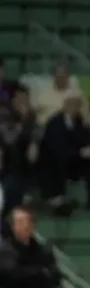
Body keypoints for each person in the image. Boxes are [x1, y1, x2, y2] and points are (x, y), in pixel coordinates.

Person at [0, 207, 60, 288]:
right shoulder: (5, 251)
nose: (26, 225)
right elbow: (11, 275)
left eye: (29, 221)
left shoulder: (44, 250)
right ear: (12, 226)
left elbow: (55, 277)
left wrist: (41, 274)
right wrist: (40, 273)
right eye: (20, 222)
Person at [0, 89, 39, 228]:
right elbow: (10, 139)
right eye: (20, 100)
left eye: (25, 100)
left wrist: (35, 143)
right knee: (12, 186)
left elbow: (38, 131)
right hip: (8, 164)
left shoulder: (32, 116)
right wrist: (23, 121)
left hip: (26, 165)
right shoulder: (5, 114)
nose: (23, 103)